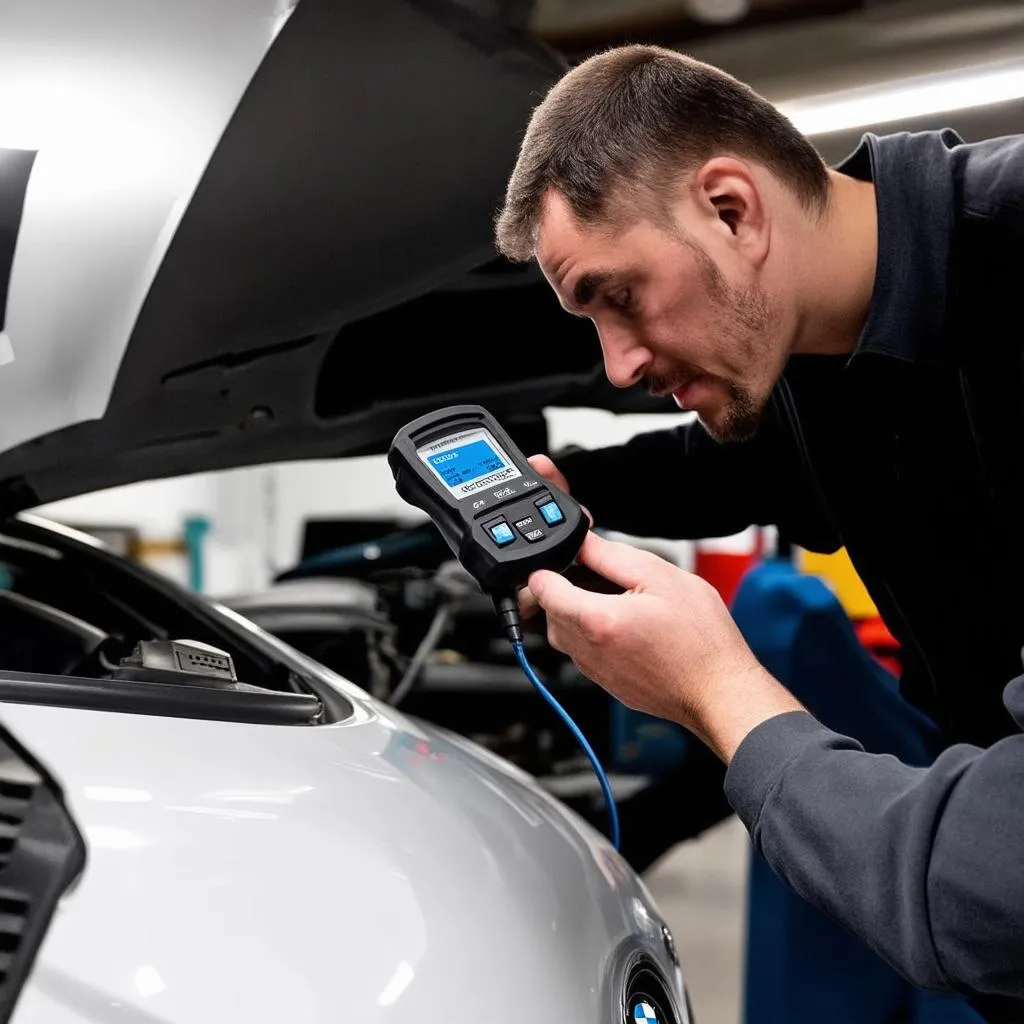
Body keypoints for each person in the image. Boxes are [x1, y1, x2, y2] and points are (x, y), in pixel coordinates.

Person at [493, 44, 1024, 1021]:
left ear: (732, 208)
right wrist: (570, 490)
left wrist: (714, 689)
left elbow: (985, 885)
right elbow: (741, 461)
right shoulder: (826, 339)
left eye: (617, 295)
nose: (613, 366)